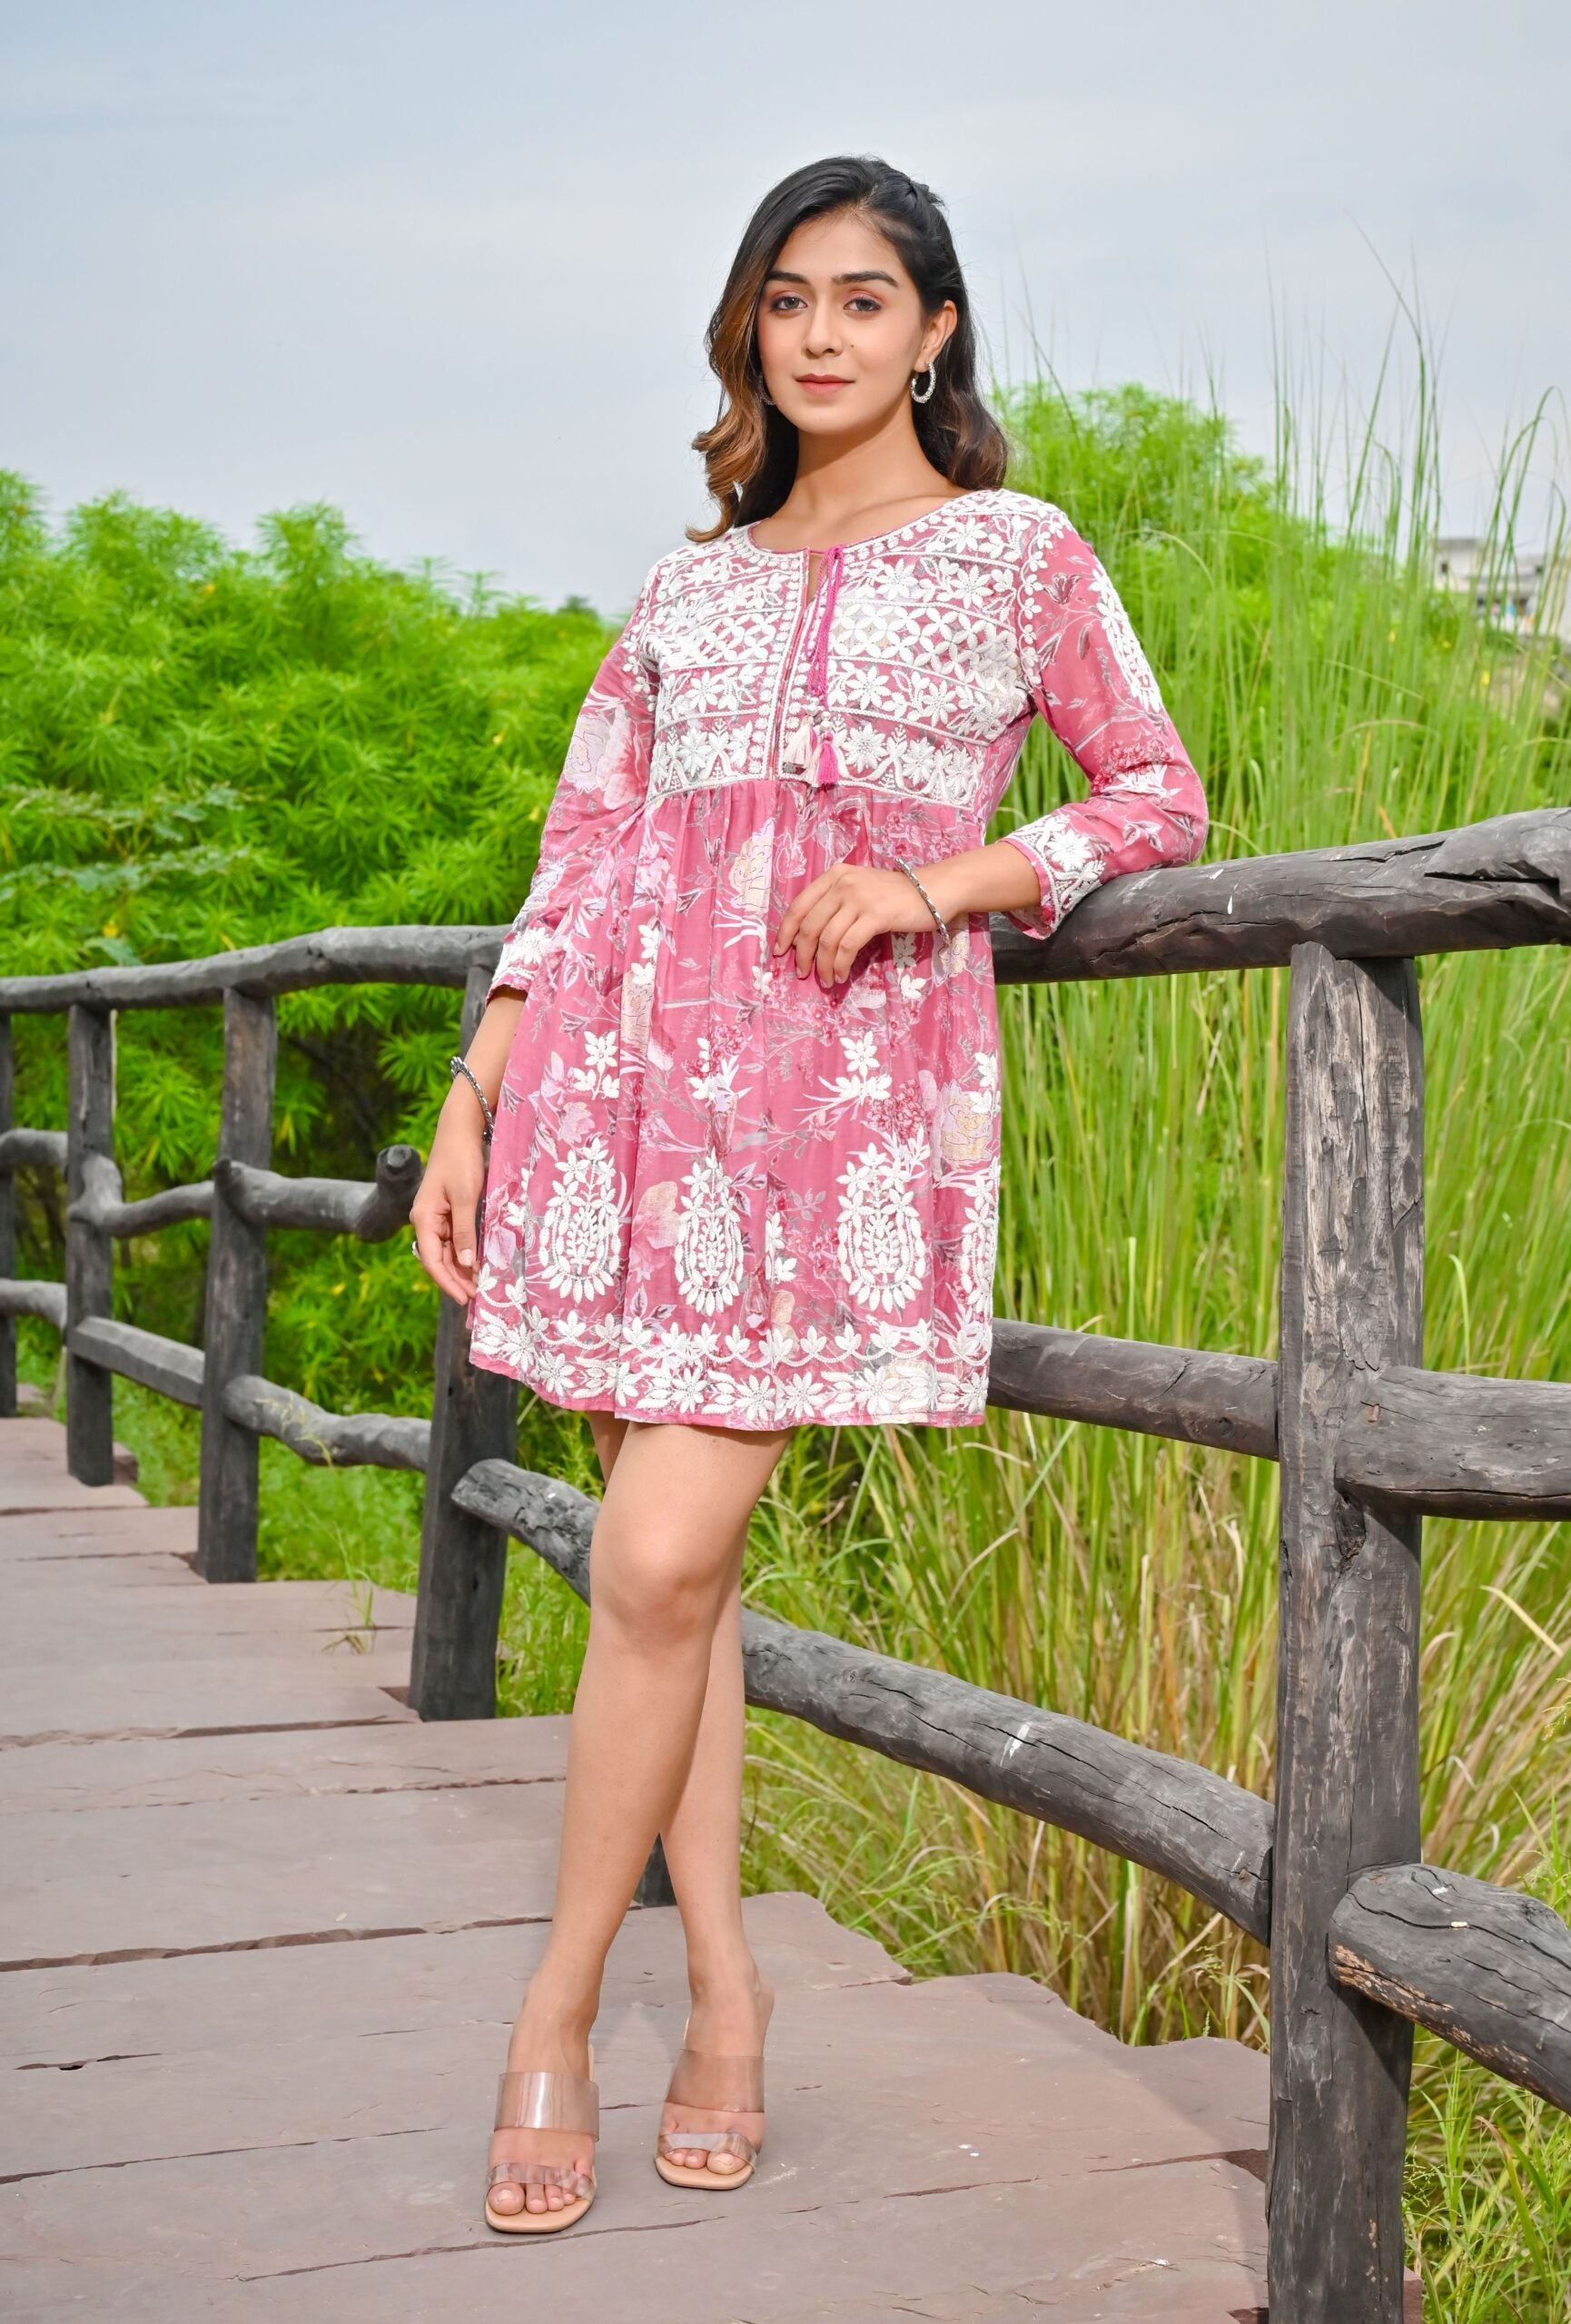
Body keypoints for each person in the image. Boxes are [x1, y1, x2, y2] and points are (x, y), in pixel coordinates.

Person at [410, 153, 1207, 2234]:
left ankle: (559, 2007)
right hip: (621, 1098)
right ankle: (736, 1997)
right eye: (787, 297)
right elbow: (580, 860)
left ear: (936, 329)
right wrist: (477, 1096)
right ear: (752, 329)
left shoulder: (1018, 551)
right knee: (682, 1588)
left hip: (837, 1115)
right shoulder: (691, 587)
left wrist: (947, 877)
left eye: (867, 295)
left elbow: (1154, 792)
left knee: (656, 1558)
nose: (824, 329)